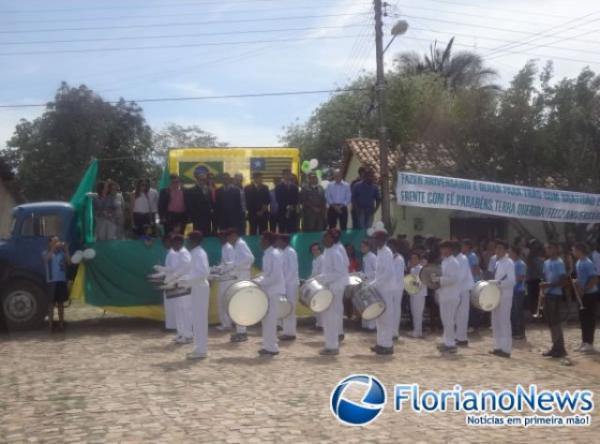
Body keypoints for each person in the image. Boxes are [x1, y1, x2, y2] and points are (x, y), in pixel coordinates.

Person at [314, 228, 349, 355]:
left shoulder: (335, 252)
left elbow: (340, 272)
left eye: (325, 237)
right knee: (327, 317)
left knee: (331, 317)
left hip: (335, 288)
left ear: (331, 239)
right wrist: (320, 278)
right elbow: (327, 272)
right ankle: (329, 344)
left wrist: (323, 279)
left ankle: (333, 346)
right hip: (330, 286)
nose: (322, 240)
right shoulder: (328, 251)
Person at [180, 231, 210, 360]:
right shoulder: (195, 253)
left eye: (188, 240)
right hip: (196, 287)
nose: (186, 242)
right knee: (197, 319)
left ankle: (201, 350)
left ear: (194, 241)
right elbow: (193, 272)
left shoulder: (199, 253)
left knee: (200, 320)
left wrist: (187, 280)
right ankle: (198, 348)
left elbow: (203, 272)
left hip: (200, 287)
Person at [254, 232, 285, 356]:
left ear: (267, 241)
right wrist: (258, 278)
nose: (260, 242)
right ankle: (267, 346)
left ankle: (272, 347)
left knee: (271, 320)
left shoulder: (274, 254)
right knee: (266, 319)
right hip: (268, 290)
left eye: (262, 240)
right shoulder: (268, 254)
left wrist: (259, 282)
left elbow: (275, 276)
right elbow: (267, 274)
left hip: (273, 290)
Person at [226, 228, 255, 343]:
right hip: (239, 276)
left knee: (240, 305)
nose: (228, 240)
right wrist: (230, 266)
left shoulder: (241, 244)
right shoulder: (237, 245)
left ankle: (242, 332)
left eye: (229, 237)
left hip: (242, 277)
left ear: (234, 235)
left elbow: (250, 258)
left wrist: (235, 266)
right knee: (238, 305)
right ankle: (240, 331)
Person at [540, 241, 568, 358]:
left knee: (555, 322)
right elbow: (544, 277)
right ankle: (555, 347)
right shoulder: (546, 262)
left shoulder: (559, 263)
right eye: (547, 248)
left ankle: (560, 348)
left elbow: (563, 281)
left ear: (556, 249)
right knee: (551, 323)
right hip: (547, 294)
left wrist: (548, 285)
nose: (548, 250)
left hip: (555, 295)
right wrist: (543, 289)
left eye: (551, 248)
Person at [489, 240, 516, 358]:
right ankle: (498, 346)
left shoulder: (509, 262)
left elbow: (511, 281)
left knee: (504, 321)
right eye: (497, 248)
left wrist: (497, 283)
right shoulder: (497, 262)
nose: (498, 251)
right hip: (496, 295)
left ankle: (506, 349)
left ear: (506, 250)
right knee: (495, 321)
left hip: (505, 296)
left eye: (500, 248)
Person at [434, 240, 461, 354]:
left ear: (450, 249)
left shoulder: (454, 262)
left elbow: (453, 279)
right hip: (444, 294)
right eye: (441, 248)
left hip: (451, 295)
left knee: (449, 320)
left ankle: (451, 344)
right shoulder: (444, 261)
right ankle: (446, 341)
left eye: (445, 248)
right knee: (445, 320)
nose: (442, 251)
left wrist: (439, 280)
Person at [573, 243, 598, 353]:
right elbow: (581, 278)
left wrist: (585, 289)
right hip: (582, 295)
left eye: (574, 250)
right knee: (583, 319)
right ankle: (584, 341)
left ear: (579, 250)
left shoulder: (588, 263)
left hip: (590, 294)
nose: (573, 252)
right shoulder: (578, 262)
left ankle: (590, 343)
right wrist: (577, 284)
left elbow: (594, 279)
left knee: (589, 319)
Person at [168, 234, 193, 344]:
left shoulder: (184, 253)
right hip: (178, 282)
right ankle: (181, 333)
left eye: (174, 243)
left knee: (185, 309)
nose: (172, 246)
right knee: (178, 309)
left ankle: (188, 335)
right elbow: (176, 268)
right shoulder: (178, 253)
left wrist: (175, 275)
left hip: (184, 283)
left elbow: (187, 267)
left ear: (179, 243)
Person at [43, 236, 71, 332]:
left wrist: (66, 250)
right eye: (54, 241)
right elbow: (46, 259)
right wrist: (53, 248)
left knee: (60, 304)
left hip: (61, 281)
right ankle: (50, 325)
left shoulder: (62, 254)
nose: (57, 243)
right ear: (49, 243)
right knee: (51, 304)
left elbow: (69, 262)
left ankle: (61, 323)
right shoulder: (46, 252)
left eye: (58, 241)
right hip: (51, 281)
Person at [277, 234, 299, 341]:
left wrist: (284, 282)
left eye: (279, 241)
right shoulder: (282, 252)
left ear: (284, 242)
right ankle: (287, 331)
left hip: (290, 284)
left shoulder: (290, 252)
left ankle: (291, 333)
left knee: (290, 307)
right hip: (285, 283)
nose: (277, 243)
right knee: (286, 307)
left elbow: (292, 269)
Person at [454, 241, 474, 347]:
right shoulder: (455, 259)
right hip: (457, 290)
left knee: (462, 314)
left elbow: (460, 276)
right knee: (457, 315)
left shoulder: (462, 258)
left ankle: (462, 338)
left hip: (463, 289)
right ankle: (458, 337)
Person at [185, 167, 213, 236]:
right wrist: (194, 216)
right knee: (197, 237)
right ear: (197, 180)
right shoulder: (191, 190)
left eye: (204, 180)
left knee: (207, 236)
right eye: (200, 180)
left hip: (207, 218)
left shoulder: (209, 190)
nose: (202, 181)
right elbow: (190, 205)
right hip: (197, 218)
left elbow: (210, 203)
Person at [216, 231, 235, 332]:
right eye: (219, 238)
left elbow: (231, 263)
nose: (220, 239)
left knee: (224, 300)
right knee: (222, 300)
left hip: (227, 278)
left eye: (221, 237)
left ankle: (227, 324)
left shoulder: (228, 247)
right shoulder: (224, 247)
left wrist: (221, 269)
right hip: (223, 277)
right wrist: (219, 268)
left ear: (226, 238)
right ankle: (226, 323)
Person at [388, 239, 406, 340]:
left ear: (396, 248)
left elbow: (397, 275)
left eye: (391, 246)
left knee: (395, 309)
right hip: (391, 287)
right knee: (391, 309)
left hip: (397, 287)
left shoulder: (399, 259)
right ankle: (391, 330)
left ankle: (395, 332)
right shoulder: (390, 258)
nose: (390, 248)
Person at [509, 245, 527, 340]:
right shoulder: (511, 263)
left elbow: (521, 277)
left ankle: (520, 332)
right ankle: (514, 331)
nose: (509, 254)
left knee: (518, 312)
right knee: (513, 312)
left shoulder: (520, 264)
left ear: (515, 253)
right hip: (512, 291)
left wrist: (511, 281)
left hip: (518, 290)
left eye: (510, 252)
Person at [408, 251, 427, 338]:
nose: (413, 260)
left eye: (415, 259)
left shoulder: (421, 269)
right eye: (412, 259)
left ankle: (418, 331)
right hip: (413, 293)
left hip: (420, 293)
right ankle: (417, 330)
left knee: (418, 313)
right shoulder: (412, 269)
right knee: (414, 312)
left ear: (419, 260)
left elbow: (422, 282)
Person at [360, 239, 377, 331]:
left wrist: (366, 275)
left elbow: (376, 271)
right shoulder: (364, 257)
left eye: (363, 246)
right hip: (365, 283)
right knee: (365, 304)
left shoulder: (373, 257)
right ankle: (365, 324)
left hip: (371, 283)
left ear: (368, 247)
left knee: (371, 304)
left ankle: (372, 326)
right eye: (361, 247)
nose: (361, 248)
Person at [160, 235, 177, 331]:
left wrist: (163, 269)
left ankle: (172, 326)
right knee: (168, 304)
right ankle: (170, 325)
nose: (164, 244)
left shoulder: (172, 254)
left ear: (170, 242)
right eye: (163, 242)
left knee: (172, 304)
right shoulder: (169, 253)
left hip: (172, 280)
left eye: (166, 242)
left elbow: (174, 269)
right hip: (168, 279)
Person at [310, 242, 324, 329]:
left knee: (321, 304)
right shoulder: (314, 260)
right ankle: (318, 323)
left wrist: (313, 279)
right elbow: (313, 273)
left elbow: (322, 274)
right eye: (313, 250)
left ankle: (321, 324)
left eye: (316, 249)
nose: (314, 251)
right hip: (315, 284)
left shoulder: (322, 259)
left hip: (321, 284)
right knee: (315, 304)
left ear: (320, 250)